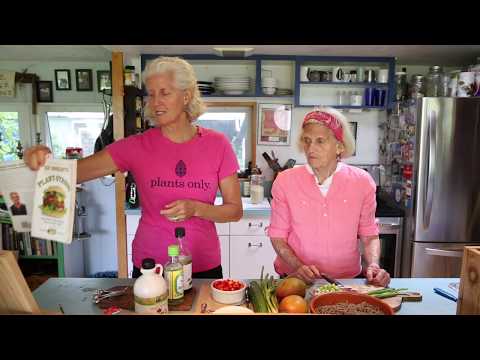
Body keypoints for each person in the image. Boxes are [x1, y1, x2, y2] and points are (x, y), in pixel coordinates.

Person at [24, 56, 243, 279]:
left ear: (186, 96)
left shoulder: (218, 145)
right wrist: (40, 157)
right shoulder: (136, 146)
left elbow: (234, 210)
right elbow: (74, 172)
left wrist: (197, 209)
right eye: (151, 93)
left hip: (202, 265)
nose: (156, 102)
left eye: (165, 93)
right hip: (151, 265)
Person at [267, 107, 390, 287]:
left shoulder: (362, 182)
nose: (311, 148)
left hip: (346, 281)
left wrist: (373, 264)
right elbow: (277, 236)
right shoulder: (285, 181)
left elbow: (369, 234)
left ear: (339, 146)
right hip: (295, 279)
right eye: (307, 141)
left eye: (320, 141)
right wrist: (298, 266)